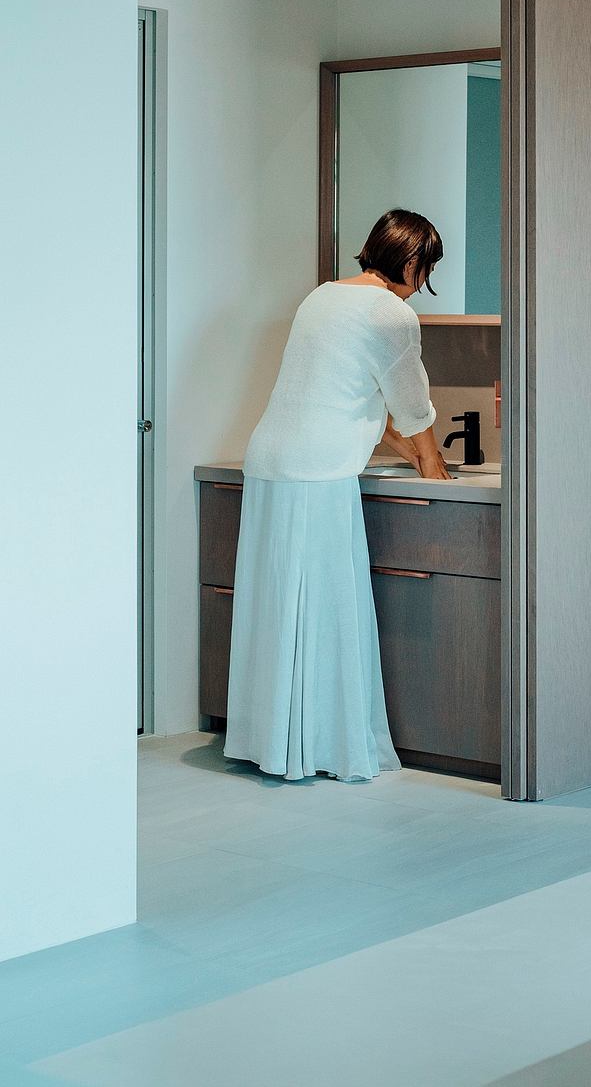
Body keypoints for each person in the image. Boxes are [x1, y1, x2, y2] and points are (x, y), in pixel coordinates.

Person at [224, 209, 451, 783]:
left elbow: (352, 395)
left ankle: (273, 742)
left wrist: (410, 449)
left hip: (271, 458)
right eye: (425, 269)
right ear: (412, 261)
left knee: (278, 608)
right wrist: (432, 463)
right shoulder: (390, 314)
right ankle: (325, 746)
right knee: (327, 607)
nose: (423, 284)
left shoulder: (322, 297)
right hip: (319, 470)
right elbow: (412, 404)